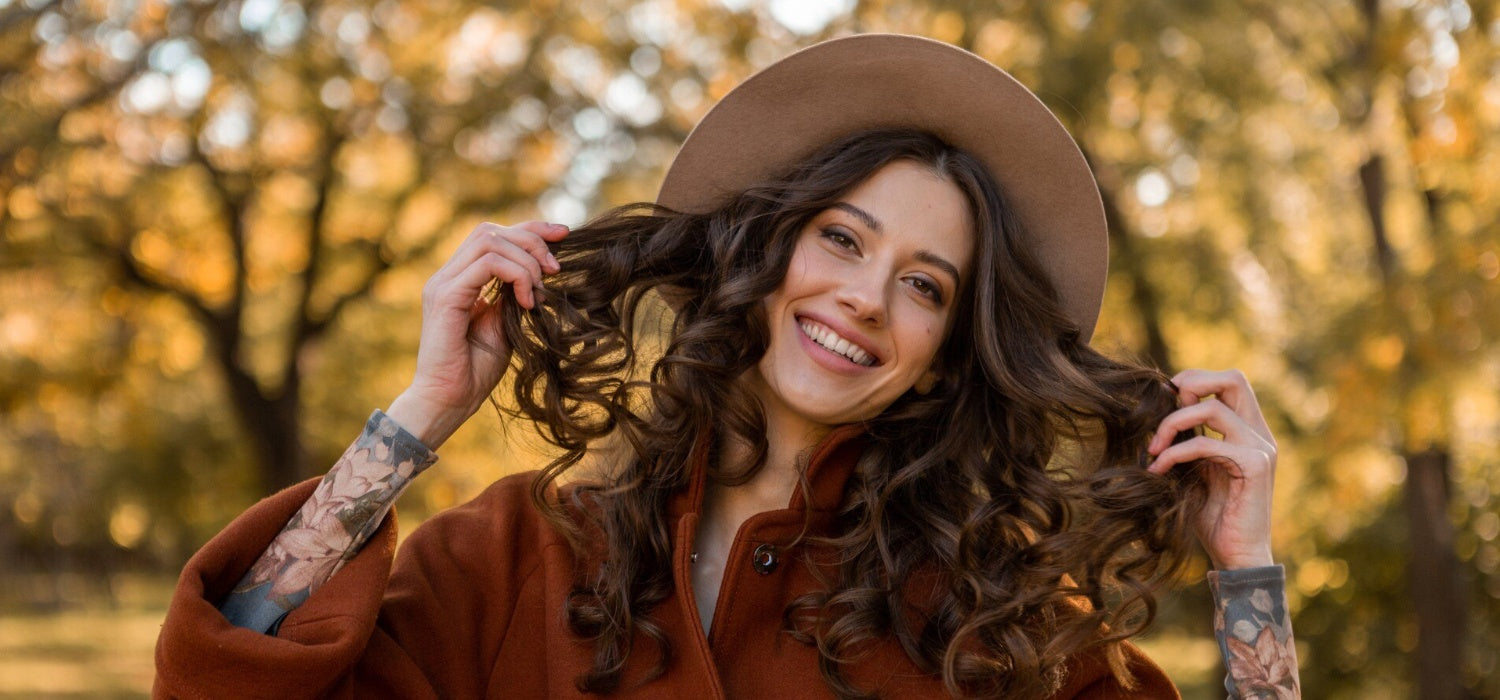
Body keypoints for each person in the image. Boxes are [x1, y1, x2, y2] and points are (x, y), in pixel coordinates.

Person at [155, 34, 1300, 699]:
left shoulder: (988, 623)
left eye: (924, 283)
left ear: (946, 359)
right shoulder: (514, 556)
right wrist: (418, 417)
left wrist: (1245, 569)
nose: (864, 292)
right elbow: (227, 679)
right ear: (764, 250)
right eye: (842, 238)